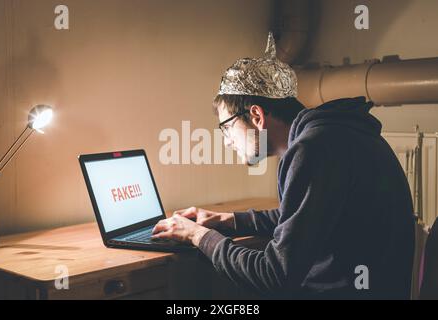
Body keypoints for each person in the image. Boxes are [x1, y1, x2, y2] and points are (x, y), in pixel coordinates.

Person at [151, 33, 415, 299]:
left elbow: (274, 275)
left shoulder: (314, 149)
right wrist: (227, 220)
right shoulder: (336, 136)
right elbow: (302, 217)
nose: (227, 141)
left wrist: (199, 236)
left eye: (226, 128)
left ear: (256, 116)